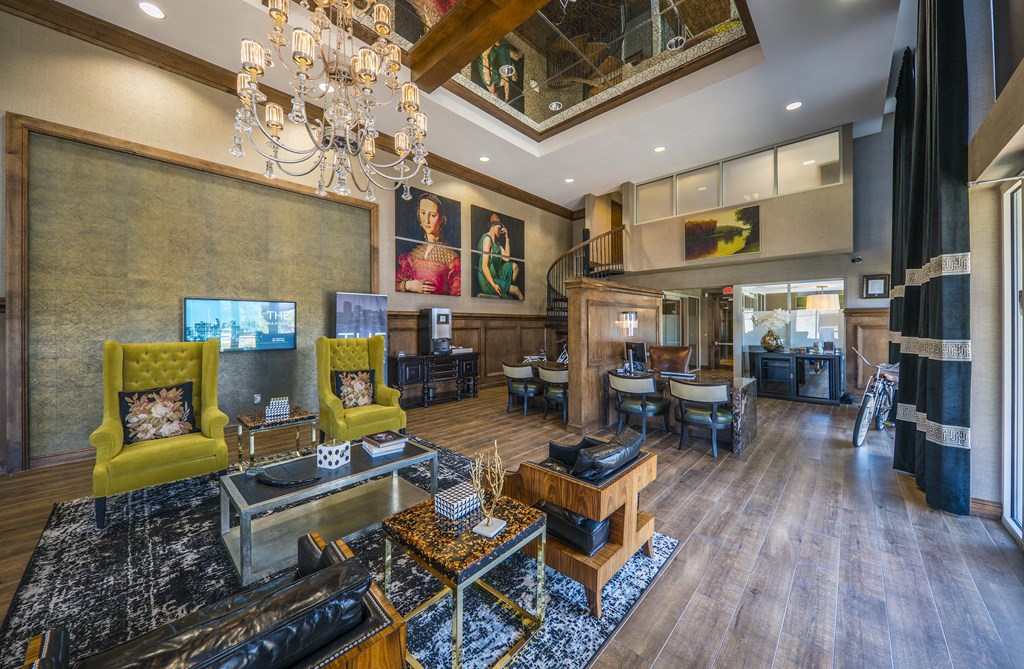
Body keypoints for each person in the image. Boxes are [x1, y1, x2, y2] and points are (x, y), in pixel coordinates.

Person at [396, 193, 461, 296]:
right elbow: (395, 284)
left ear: (441, 219)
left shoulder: (452, 258)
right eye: (423, 213)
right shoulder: (412, 255)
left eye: (432, 215)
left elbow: (457, 294)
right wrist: (408, 285)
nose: (426, 220)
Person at [476, 212, 524, 300]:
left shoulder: (497, 244)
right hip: (488, 280)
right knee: (516, 290)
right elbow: (484, 266)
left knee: (515, 267)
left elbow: (507, 258)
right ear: (492, 226)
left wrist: (507, 238)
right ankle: (508, 289)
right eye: (499, 227)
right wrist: (494, 285)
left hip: (497, 275)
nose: (500, 230)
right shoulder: (487, 239)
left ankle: (506, 288)